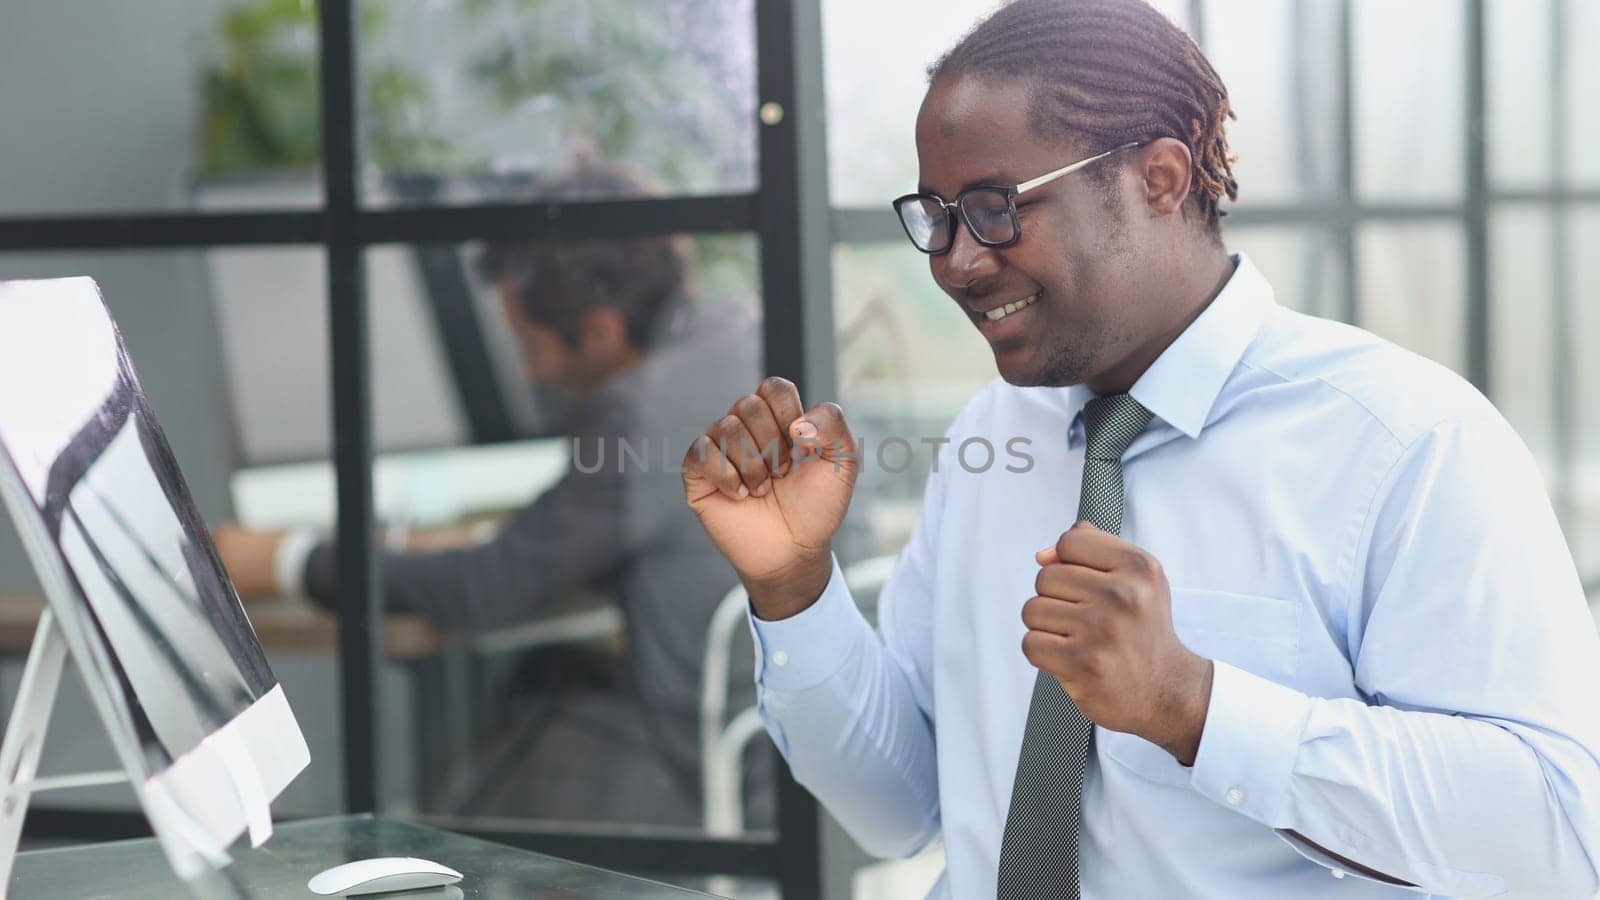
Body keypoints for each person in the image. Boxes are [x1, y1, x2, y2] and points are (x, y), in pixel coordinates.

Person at [680, 0, 1600, 897]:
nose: (956, 259)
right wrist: (794, 589)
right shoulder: (993, 434)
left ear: (1158, 178)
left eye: (997, 207)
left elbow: (1558, 840)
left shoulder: (1406, 444)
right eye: (938, 214)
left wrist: (1193, 706)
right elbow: (900, 809)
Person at [218, 163, 769, 829]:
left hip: (716, 774)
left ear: (599, 330)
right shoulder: (748, 337)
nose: (531, 371)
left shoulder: (637, 411)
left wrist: (283, 559)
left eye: (530, 346)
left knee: (519, 710)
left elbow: (489, 588)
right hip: (782, 741)